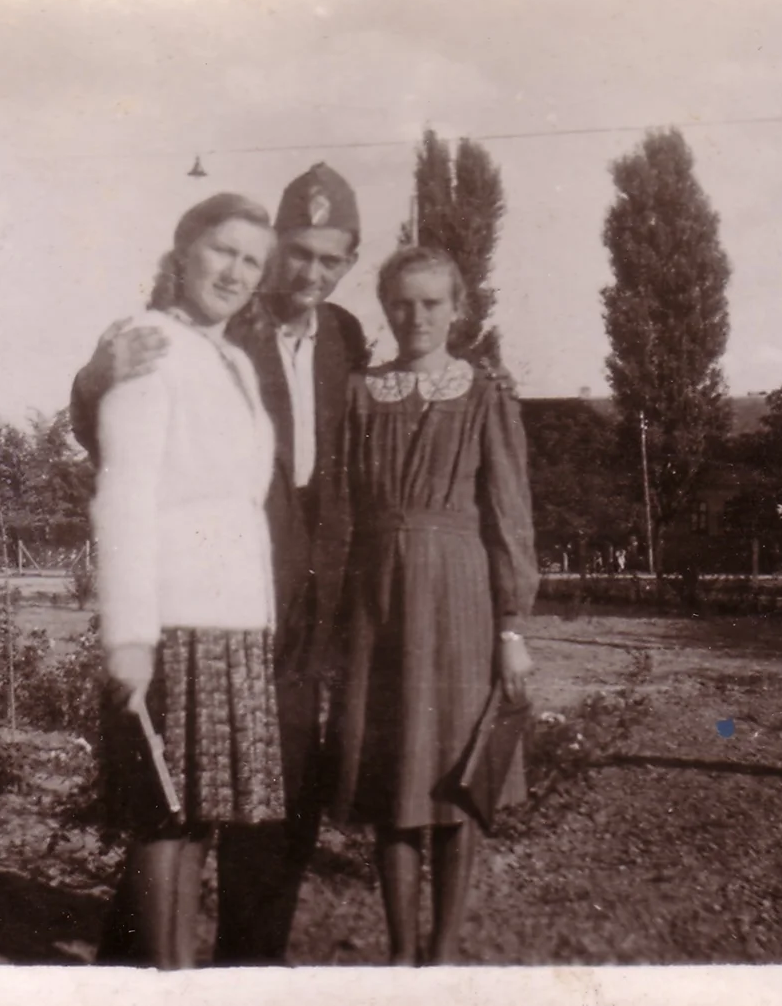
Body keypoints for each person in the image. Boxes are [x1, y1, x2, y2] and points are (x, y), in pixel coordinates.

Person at [76, 162, 367, 964]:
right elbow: (121, 457)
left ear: (349, 263)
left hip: (280, 607)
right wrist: (99, 375)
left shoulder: (341, 338)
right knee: (174, 809)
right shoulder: (204, 331)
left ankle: (247, 969)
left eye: (330, 258)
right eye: (295, 253)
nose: (308, 273)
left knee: (261, 804)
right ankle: (141, 970)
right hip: (193, 599)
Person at [91, 192, 285, 970]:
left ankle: (173, 973)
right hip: (172, 615)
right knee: (162, 815)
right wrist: (130, 637)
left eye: (252, 261)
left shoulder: (232, 359)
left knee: (200, 814)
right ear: (183, 252)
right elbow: (124, 493)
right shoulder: (147, 343)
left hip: (232, 615)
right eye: (222, 251)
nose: (236, 272)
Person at [329, 245, 539, 966]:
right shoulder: (360, 393)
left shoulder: (485, 394)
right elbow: (338, 509)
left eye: (431, 303)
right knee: (392, 778)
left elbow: (509, 515)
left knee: (456, 776)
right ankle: (401, 954)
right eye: (401, 302)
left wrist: (511, 628)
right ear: (384, 308)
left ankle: (443, 954)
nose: (415, 316)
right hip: (377, 605)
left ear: (458, 310)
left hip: (459, 603)